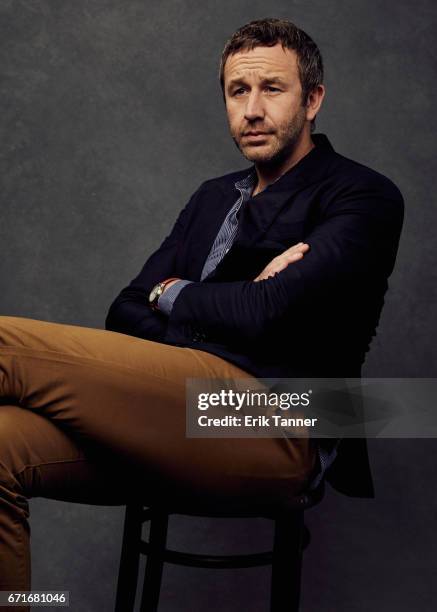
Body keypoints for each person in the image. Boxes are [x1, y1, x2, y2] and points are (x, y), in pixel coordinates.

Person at [0, 17, 403, 602]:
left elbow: (268, 309)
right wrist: (213, 314)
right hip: (176, 408)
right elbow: (124, 308)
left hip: (281, 421)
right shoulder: (213, 196)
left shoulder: (361, 195)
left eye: (272, 88)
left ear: (313, 99)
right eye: (238, 91)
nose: (253, 109)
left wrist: (174, 296)